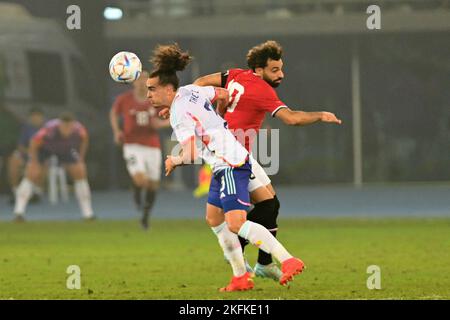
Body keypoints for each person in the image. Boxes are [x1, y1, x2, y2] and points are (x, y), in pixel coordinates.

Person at [147, 43, 304, 292]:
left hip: (230, 163)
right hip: (223, 162)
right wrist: (217, 122)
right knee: (214, 218)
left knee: (236, 223)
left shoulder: (178, 114)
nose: (148, 95)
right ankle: (240, 277)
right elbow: (222, 95)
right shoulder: (189, 91)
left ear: (168, 89)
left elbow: (189, 153)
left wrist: (173, 160)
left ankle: (288, 260)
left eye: (151, 89)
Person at [193, 40, 342, 280]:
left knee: (270, 204)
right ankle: (236, 247)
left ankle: (262, 262)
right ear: (259, 70)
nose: (281, 74)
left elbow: (199, 83)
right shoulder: (262, 90)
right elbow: (291, 118)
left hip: (237, 153)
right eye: (275, 70)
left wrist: (209, 111)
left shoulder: (234, 75)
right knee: (262, 208)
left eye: (281, 68)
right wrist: (320, 115)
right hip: (232, 157)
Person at [110, 70, 169, 230]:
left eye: (146, 79)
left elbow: (172, 117)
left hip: (152, 145)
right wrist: (117, 131)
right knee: (140, 180)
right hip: (132, 145)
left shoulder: (156, 99)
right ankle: (137, 193)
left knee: (153, 184)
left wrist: (161, 124)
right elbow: (114, 114)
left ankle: (145, 215)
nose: (142, 82)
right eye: (139, 79)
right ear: (133, 82)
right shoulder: (124, 99)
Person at [13, 112, 95, 222]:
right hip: (45, 149)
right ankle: (19, 212)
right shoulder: (49, 128)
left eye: (69, 127)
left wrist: (81, 158)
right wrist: (34, 162)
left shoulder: (79, 129)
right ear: (59, 125)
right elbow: (34, 142)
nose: (67, 129)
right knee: (32, 173)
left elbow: (85, 140)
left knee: (80, 171)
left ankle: (88, 214)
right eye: (64, 126)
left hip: (66, 150)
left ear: (73, 125)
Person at [7, 108, 45, 203]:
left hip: (42, 156)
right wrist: (29, 153)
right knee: (13, 160)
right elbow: (20, 146)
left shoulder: (48, 128)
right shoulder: (26, 128)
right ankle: (16, 192)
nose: (36, 119)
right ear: (30, 117)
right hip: (27, 155)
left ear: (42, 117)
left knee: (45, 163)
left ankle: (36, 192)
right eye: (33, 116)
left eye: (38, 116)